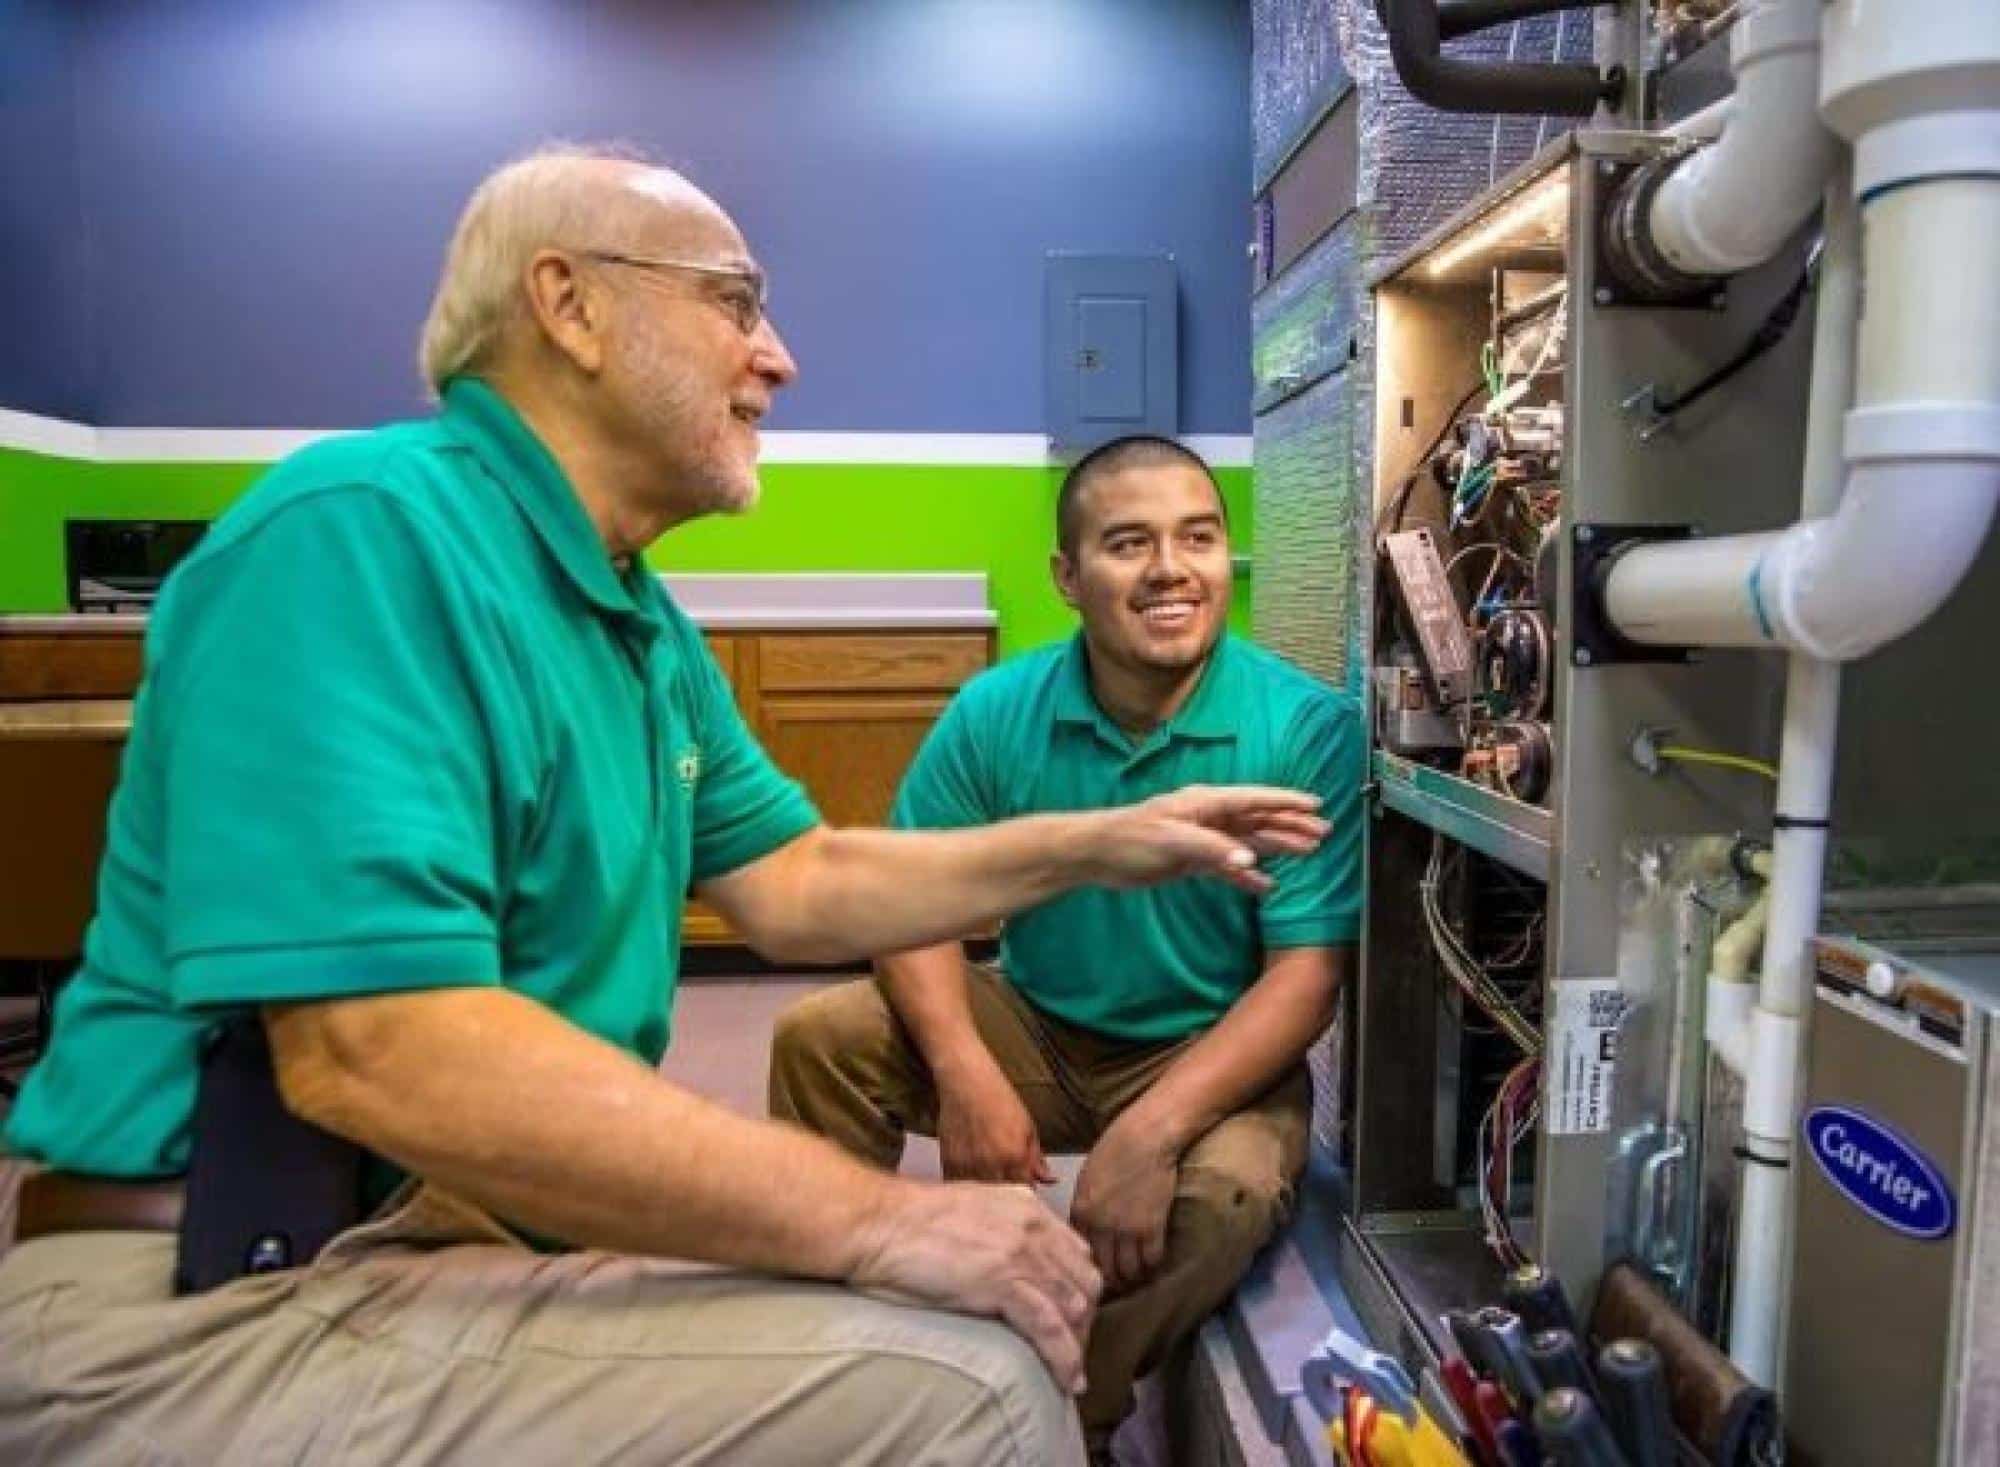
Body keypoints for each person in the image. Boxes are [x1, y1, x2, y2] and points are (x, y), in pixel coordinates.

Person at [0, 147, 1331, 1466]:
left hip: (444, 1245)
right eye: (736, 302)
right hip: (228, 1294)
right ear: (570, 305)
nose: (780, 357)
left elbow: (801, 877)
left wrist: (1095, 843)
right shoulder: (362, 534)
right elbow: (378, 1048)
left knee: (925, 1328)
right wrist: (882, 1219)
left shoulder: (633, 619)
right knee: (975, 1387)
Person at [769, 435, 1366, 1456]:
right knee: (818, 1040)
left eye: (1198, 537)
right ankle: (849, 1349)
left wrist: (1147, 1136)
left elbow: (1304, 978)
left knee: (1229, 1193)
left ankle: (1061, 1400)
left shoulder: (1304, 728)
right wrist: (965, 1074)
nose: (1170, 569)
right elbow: (907, 906)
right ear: (1067, 576)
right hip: (1036, 1026)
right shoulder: (998, 711)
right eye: (1127, 543)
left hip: (1204, 1044)